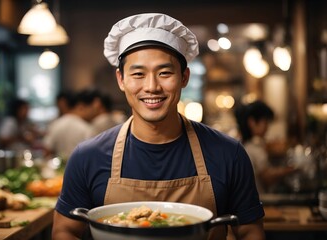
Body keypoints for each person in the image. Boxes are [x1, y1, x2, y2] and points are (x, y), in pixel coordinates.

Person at [52, 13, 265, 240]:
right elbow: (65, 231)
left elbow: (250, 232)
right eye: (138, 74)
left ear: (184, 77)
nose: (152, 86)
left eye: (165, 73)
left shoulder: (228, 153)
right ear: (121, 79)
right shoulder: (87, 157)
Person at [235, 100, 296, 194]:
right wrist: (290, 170)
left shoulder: (242, 145)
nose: (267, 127)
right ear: (252, 122)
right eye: (265, 122)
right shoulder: (253, 148)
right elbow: (267, 177)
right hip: (259, 200)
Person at [42, 89, 99, 160]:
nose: (93, 113)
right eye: (92, 109)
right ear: (81, 107)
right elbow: (92, 156)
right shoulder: (86, 128)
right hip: (80, 169)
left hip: (59, 168)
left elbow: (47, 150)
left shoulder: (56, 124)